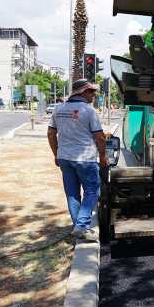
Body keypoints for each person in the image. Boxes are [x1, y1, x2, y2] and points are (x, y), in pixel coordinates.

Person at [47, 78, 108, 242]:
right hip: (85, 159)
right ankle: (81, 226)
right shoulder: (88, 111)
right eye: (91, 92)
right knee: (92, 190)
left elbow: (51, 134)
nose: (94, 95)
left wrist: (56, 154)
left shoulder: (58, 109)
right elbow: (100, 138)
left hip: (64, 157)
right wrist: (103, 157)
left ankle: (79, 228)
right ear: (83, 92)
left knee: (72, 194)